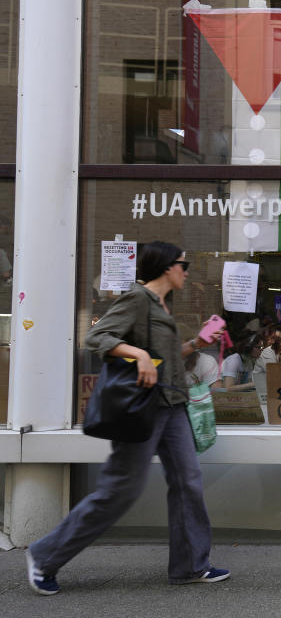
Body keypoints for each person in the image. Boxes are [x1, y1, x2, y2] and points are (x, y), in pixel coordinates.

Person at [25, 241, 229, 595]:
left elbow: (167, 357)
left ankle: (191, 565)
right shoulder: (138, 299)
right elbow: (97, 337)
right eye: (185, 264)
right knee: (120, 490)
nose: (188, 271)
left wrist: (198, 342)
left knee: (188, 484)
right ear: (167, 267)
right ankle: (44, 556)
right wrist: (138, 354)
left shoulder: (163, 305)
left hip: (172, 406)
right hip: (143, 409)